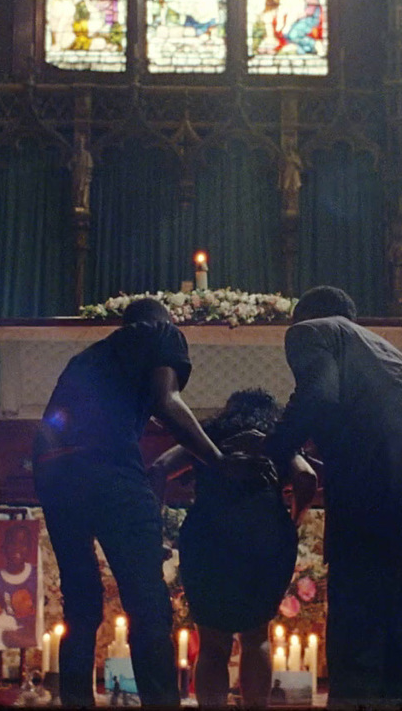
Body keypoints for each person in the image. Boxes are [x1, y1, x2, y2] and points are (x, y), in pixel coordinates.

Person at [34, 297, 253, 707]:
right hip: (109, 469)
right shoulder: (160, 334)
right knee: (146, 602)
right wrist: (219, 460)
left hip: (53, 474)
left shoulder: (87, 358)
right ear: (163, 322)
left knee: (81, 605)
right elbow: (166, 401)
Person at [264, 285, 402, 708]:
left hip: (377, 493)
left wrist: (275, 453)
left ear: (304, 316)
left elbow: (317, 396)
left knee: (360, 625)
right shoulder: (388, 351)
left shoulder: (311, 331)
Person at [148, 388, 319, 708]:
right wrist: (293, 520)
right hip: (264, 540)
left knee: (213, 643)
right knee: (256, 638)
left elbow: (158, 469)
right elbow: (307, 477)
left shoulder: (208, 437)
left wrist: (152, 528)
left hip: (209, 539)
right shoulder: (274, 440)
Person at [0, 523, 40, 646]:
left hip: (34, 628)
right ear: (3, 548)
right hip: (13, 629)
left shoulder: (36, 573)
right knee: (6, 636)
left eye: (23, 544)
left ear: (29, 549)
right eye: (12, 543)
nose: (17, 548)